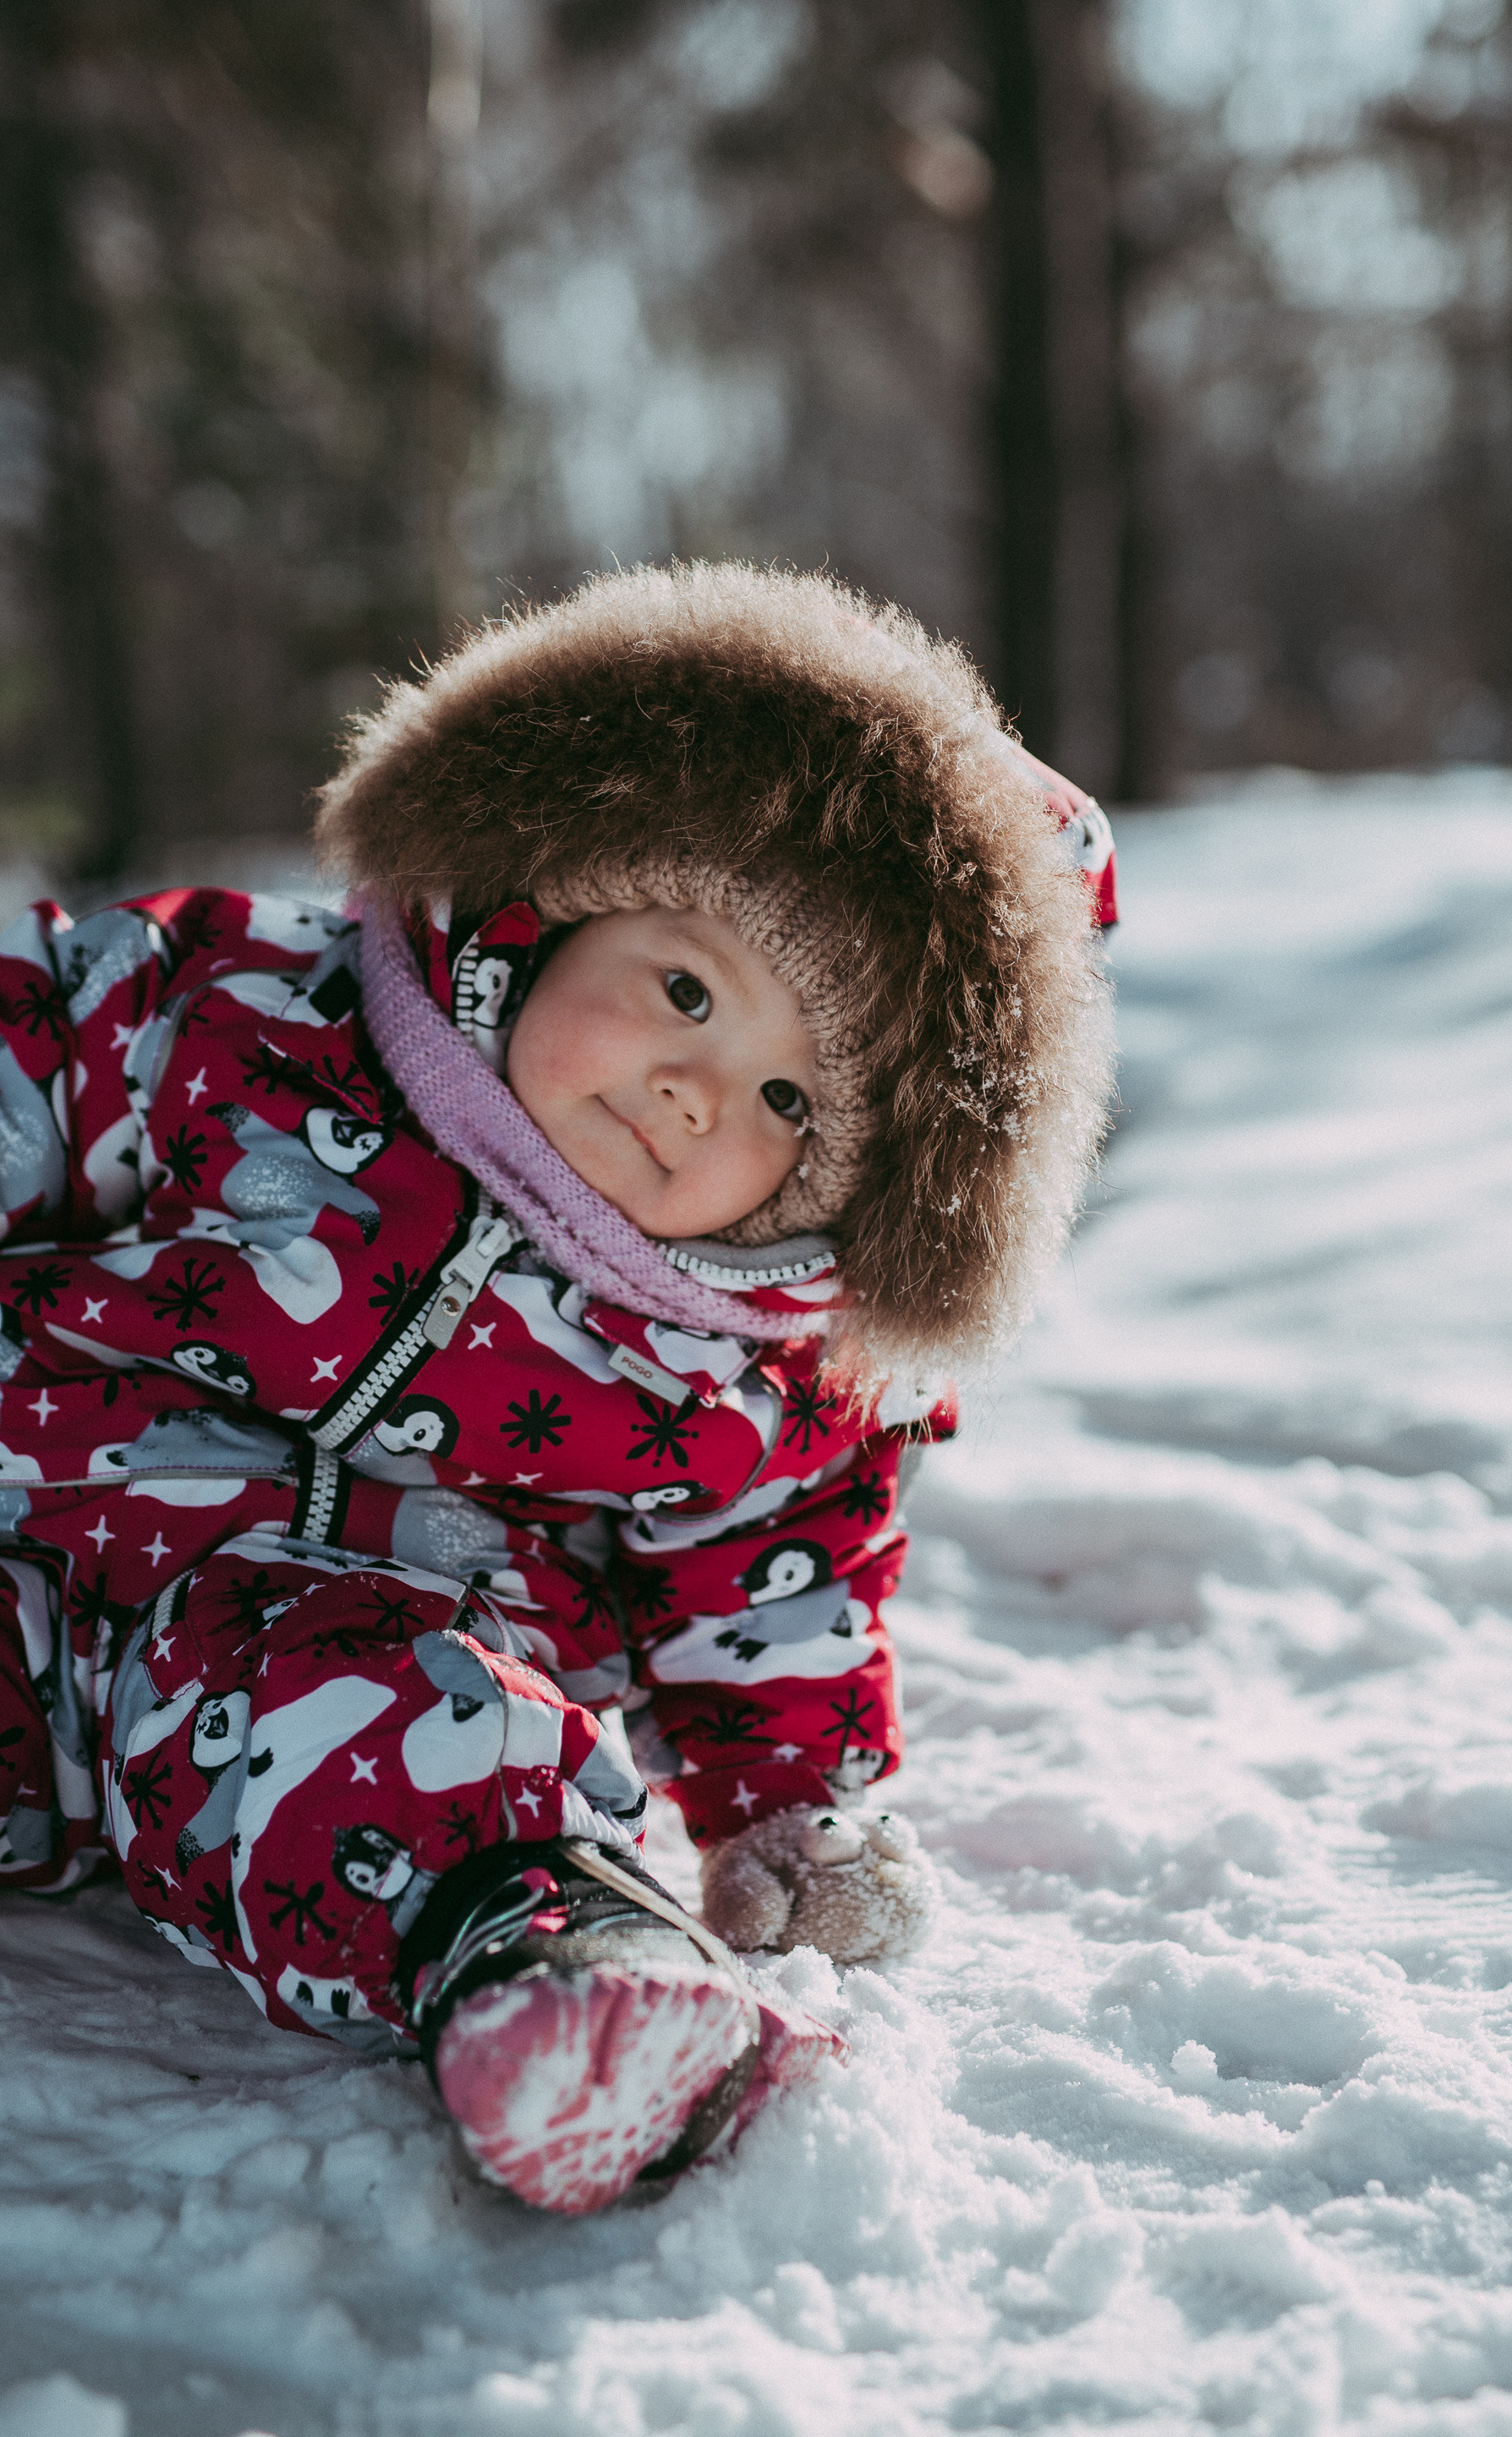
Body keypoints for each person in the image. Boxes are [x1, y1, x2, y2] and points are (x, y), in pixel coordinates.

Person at [0, 562, 1117, 2214]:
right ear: (560, 894)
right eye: (685, 991)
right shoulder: (239, 1020)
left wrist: (794, 1811)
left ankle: (560, 1971)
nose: (690, 1091)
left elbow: (779, 1599)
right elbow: (35, 1046)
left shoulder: (756, 1377)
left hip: (313, 1673)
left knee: (427, 1745)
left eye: (790, 1101)